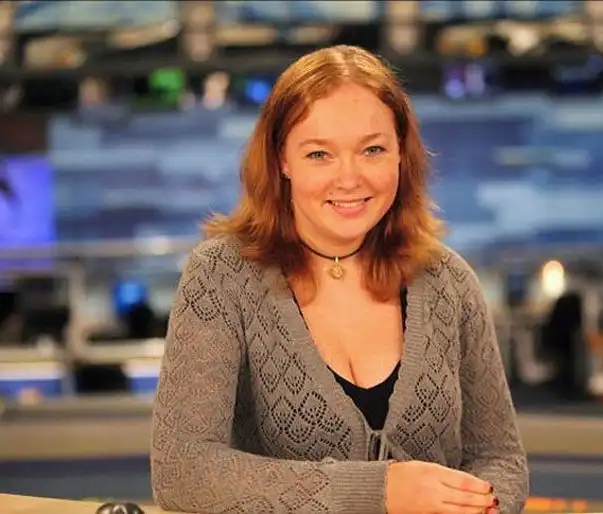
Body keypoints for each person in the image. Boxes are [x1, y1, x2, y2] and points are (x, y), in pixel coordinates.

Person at [150, 45, 529, 514]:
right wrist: (379, 491)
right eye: (319, 154)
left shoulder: (449, 282)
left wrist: (484, 506)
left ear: (401, 154)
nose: (349, 179)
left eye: (372, 150)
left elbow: (500, 458)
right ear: (282, 160)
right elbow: (183, 471)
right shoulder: (221, 276)